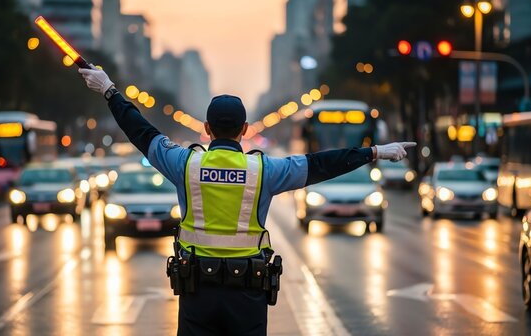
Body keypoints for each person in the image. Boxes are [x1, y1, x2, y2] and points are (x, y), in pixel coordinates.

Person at [79, 67, 415, 336]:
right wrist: (373, 152)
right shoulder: (264, 170)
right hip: (248, 293)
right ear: (244, 129)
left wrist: (109, 90)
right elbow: (319, 164)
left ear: (207, 129)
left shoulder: (185, 164)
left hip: (197, 292)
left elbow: (142, 132)